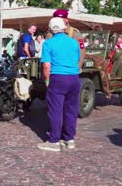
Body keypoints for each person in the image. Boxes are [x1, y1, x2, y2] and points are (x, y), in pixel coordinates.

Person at [38, 17, 80, 152]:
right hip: (74, 78)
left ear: (50, 28)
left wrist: (47, 80)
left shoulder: (48, 43)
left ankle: (54, 140)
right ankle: (69, 139)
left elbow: (46, 65)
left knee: (56, 110)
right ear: (64, 27)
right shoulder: (74, 42)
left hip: (58, 77)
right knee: (71, 110)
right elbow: (77, 59)